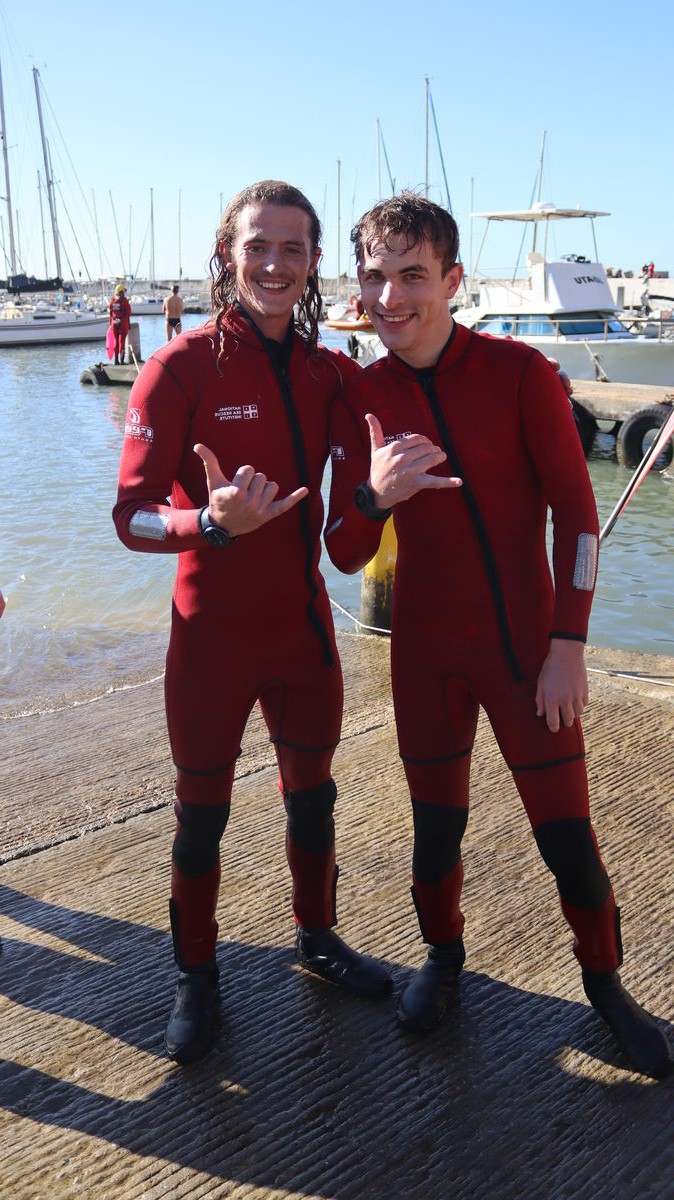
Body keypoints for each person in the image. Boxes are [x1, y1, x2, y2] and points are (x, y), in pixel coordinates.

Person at [325, 191, 672, 1080]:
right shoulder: (360, 395)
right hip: (426, 661)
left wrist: (569, 645)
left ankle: (606, 987)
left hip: (526, 655)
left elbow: (579, 519)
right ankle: (443, 959)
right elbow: (344, 546)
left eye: (412, 275)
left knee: (568, 839)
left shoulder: (518, 373)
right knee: (435, 834)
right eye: (375, 276)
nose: (391, 295)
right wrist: (376, 496)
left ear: (452, 279)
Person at [112, 181, 392, 1067]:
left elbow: (347, 549)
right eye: (258, 247)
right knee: (203, 819)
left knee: (314, 800)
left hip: (303, 634)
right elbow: (130, 517)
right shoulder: (180, 367)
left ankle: (317, 937)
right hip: (211, 642)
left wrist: (373, 500)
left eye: (294, 249)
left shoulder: (330, 373)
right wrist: (209, 523)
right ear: (227, 254)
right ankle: (197, 975)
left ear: (313, 265)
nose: (275, 265)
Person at [108, 284, 132, 365]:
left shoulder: (112, 301)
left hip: (114, 324)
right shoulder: (124, 301)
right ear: (121, 292)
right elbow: (129, 312)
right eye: (123, 291)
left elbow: (110, 314)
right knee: (122, 342)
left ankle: (116, 361)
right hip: (123, 324)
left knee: (116, 342)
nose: (124, 293)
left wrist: (110, 324)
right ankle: (122, 361)